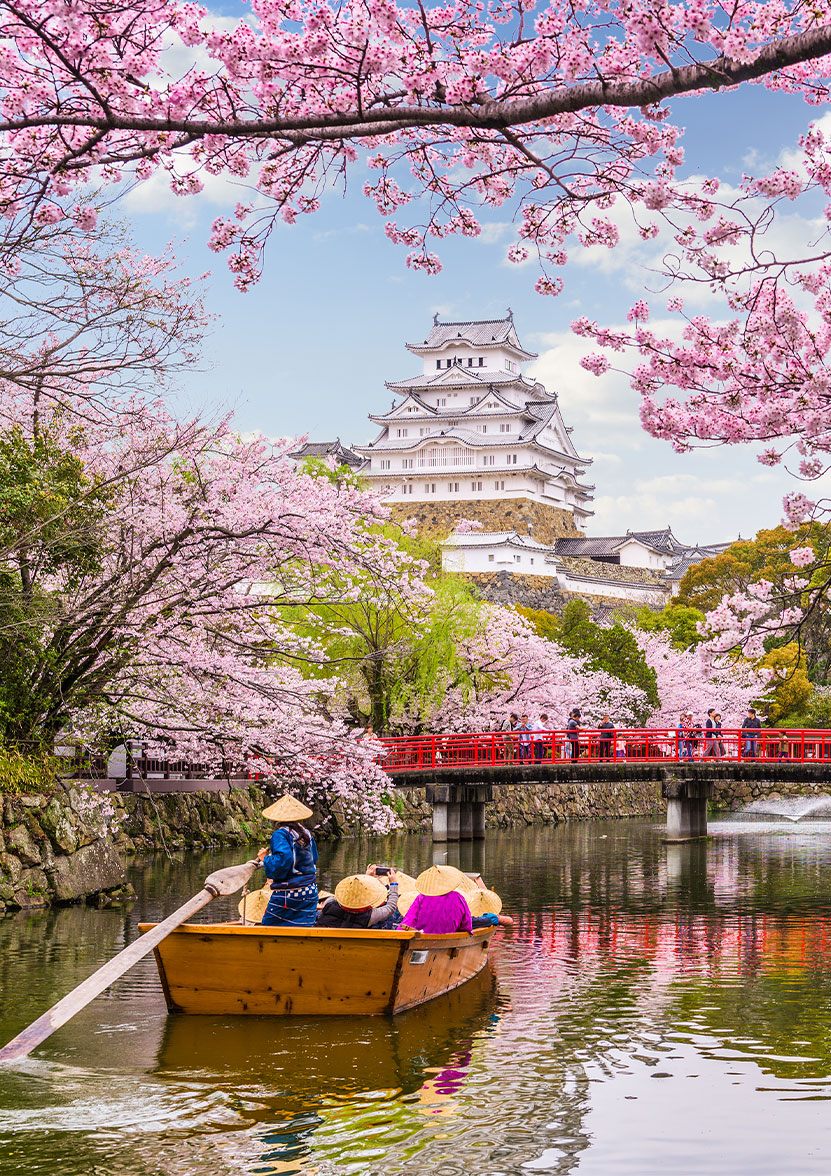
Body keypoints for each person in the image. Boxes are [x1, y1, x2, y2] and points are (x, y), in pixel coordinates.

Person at [257, 794, 319, 926]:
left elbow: (283, 860)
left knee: (269, 926)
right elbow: (314, 858)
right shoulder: (307, 833)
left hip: (289, 894)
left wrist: (265, 858)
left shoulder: (280, 834)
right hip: (310, 891)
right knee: (304, 927)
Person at [316, 866, 400, 929]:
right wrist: (393, 883)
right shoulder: (369, 916)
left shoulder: (330, 902)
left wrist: (366, 878)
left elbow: (340, 897)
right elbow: (391, 907)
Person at [399, 865, 473, 935]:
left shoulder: (422, 897)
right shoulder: (459, 898)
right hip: (449, 943)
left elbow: (407, 923)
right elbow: (467, 927)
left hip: (423, 942)